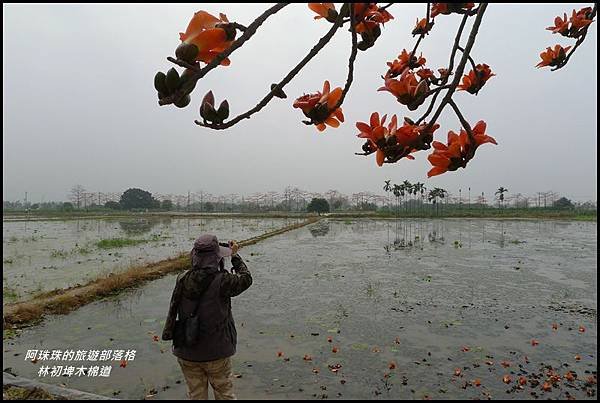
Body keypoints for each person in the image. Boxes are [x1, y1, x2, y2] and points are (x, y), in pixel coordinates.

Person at [162, 234, 252, 400]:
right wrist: (235, 256)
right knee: (224, 394)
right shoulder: (223, 281)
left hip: (186, 350)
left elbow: (172, 308)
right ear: (217, 256)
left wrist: (168, 332)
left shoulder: (182, 278)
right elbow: (246, 279)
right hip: (216, 352)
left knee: (196, 395)